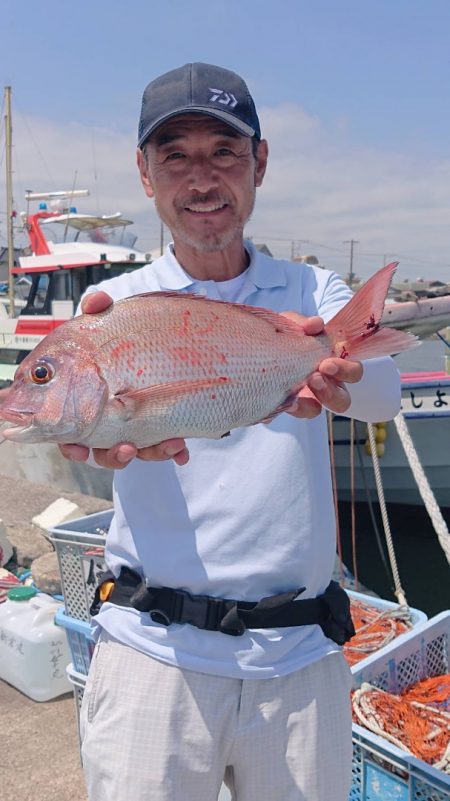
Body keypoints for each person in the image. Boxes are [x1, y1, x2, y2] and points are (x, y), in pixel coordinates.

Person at [1, 64, 402, 801]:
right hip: (152, 656)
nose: (201, 178)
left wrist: (336, 371)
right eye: (174, 155)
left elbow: (382, 398)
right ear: (145, 173)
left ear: (260, 163)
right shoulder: (110, 307)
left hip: (299, 659)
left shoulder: (313, 297)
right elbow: (94, 433)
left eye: (224, 150)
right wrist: (82, 434)